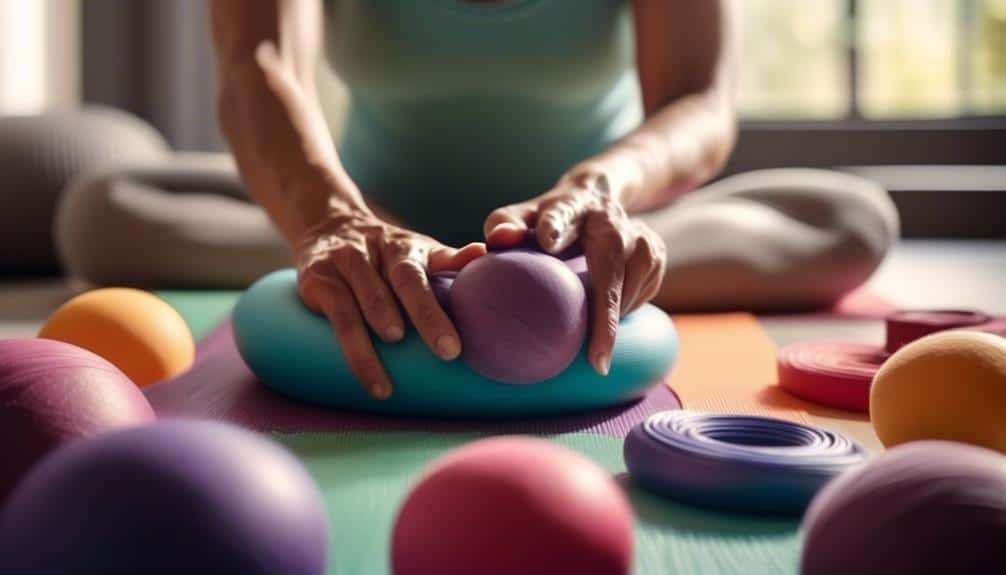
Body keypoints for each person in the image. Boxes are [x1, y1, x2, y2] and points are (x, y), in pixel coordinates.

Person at [58, 0, 898, 400]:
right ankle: (488, 292)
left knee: (850, 220)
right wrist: (329, 220)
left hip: (580, 221)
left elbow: (700, 105)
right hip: (370, 211)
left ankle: (562, 281)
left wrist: (598, 188)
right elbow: (258, 63)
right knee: (106, 209)